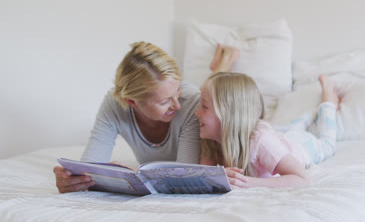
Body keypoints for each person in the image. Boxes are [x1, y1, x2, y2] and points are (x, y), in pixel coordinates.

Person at [53, 42, 238, 193]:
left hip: (196, 96)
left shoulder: (189, 103)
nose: (177, 105)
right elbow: (90, 166)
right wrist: (74, 179)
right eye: (165, 101)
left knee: (213, 94)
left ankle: (225, 60)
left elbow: (184, 172)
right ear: (132, 102)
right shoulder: (114, 104)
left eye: (178, 90)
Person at [195, 69, 340, 189]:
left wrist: (247, 183)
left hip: (300, 146)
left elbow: (302, 179)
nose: (196, 113)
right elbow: (207, 176)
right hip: (280, 135)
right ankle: (312, 113)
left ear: (228, 117)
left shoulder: (261, 142)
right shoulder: (209, 140)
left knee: (326, 143)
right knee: (293, 127)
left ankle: (328, 102)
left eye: (204, 107)